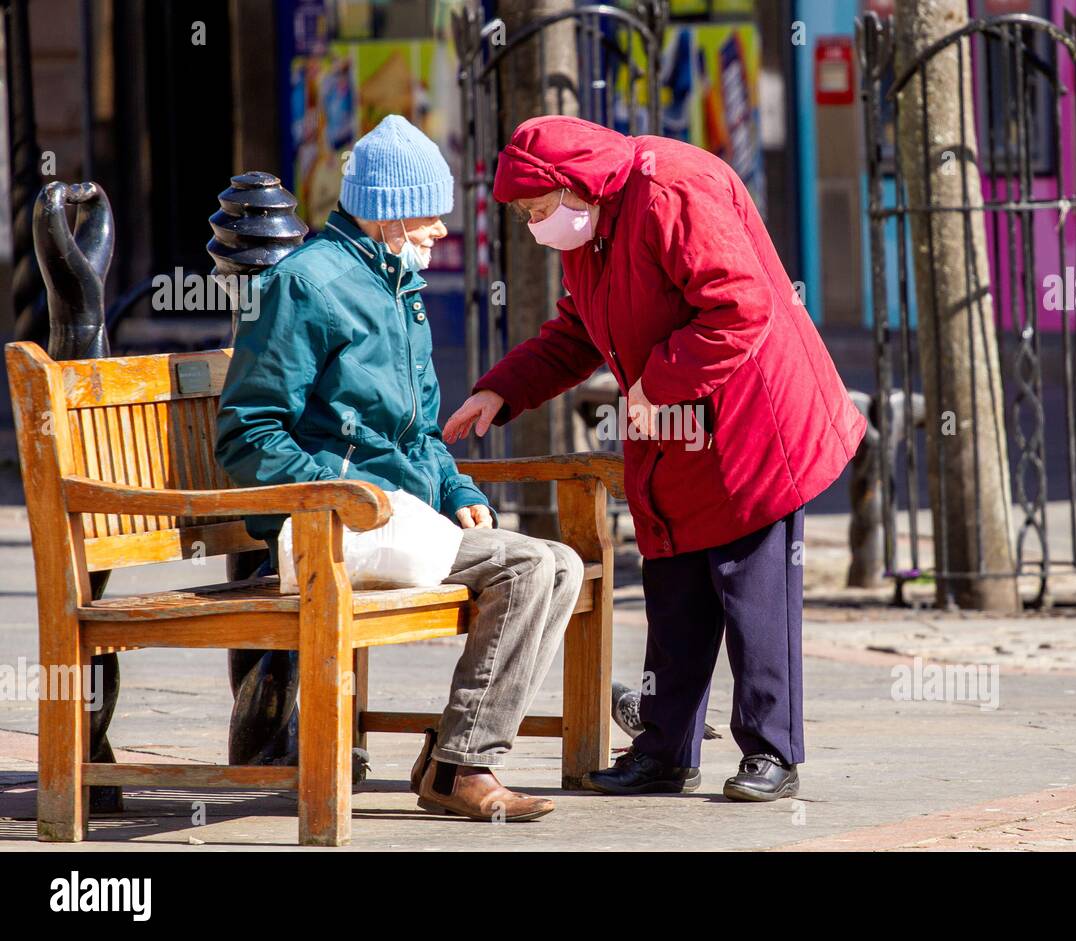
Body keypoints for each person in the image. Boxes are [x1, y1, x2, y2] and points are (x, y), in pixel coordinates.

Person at [444, 116, 866, 802]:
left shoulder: (674, 187)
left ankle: (772, 751)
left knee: (751, 590)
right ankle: (666, 748)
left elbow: (739, 305)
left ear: (572, 185)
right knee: (674, 589)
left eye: (535, 209)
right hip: (670, 429)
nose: (533, 224)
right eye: (523, 214)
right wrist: (501, 389)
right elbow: (578, 329)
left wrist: (656, 380)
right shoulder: (590, 226)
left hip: (749, 421)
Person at [215, 114, 583, 822]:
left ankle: (455, 757)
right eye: (429, 215)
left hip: (397, 517)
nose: (442, 231)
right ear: (387, 213)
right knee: (531, 567)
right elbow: (247, 430)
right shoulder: (308, 284)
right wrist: (342, 493)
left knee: (560, 564)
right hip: (328, 527)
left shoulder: (395, 285)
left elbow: (417, 433)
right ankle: (461, 765)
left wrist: (455, 486)